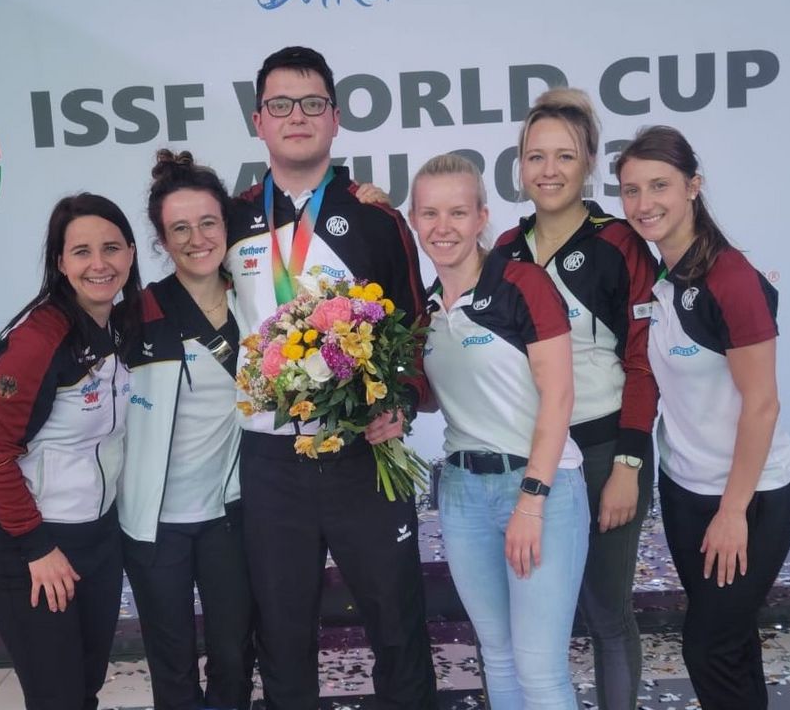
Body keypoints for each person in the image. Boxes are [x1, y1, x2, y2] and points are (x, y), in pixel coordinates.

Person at [224, 46, 438, 709]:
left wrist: (400, 402)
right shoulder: (228, 221)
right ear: (258, 120)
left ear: (336, 118)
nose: (297, 116)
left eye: (312, 103)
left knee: (398, 626)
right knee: (283, 637)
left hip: (362, 453)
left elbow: (415, 324)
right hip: (268, 463)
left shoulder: (375, 216)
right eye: (280, 105)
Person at [615, 126, 790, 710]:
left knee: (709, 646)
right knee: (732, 638)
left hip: (750, 496)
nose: (644, 204)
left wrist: (732, 510)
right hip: (685, 488)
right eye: (631, 190)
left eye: (660, 185)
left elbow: (763, 403)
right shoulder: (659, 274)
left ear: (694, 186)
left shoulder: (731, 278)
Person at [493, 88, 658, 709]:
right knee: (535, 623)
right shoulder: (505, 248)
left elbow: (644, 364)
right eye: (536, 157)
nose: (549, 170)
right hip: (532, 458)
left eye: (564, 156)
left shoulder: (619, 243)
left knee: (605, 611)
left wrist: (628, 465)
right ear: (520, 165)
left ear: (589, 160)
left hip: (603, 449)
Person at [412, 153, 588, 710]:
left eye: (458, 212)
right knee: (498, 657)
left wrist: (531, 501)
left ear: (482, 215)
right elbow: (440, 396)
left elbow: (559, 396)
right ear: (413, 221)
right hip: (462, 493)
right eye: (430, 214)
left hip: (540, 489)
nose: (444, 228)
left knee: (538, 670)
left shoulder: (521, 284)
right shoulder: (429, 310)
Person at [0, 192, 142, 710]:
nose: (99, 264)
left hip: (98, 537)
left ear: (131, 254)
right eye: (82, 252)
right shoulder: (39, 340)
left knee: (82, 689)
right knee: (58, 699)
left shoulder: (125, 323)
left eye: (111, 248)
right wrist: (36, 547)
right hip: (34, 546)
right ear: (60, 262)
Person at [118, 149, 254, 710]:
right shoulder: (137, 313)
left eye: (207, 223)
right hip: (154, 524)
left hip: (230, 514)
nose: (196, 238)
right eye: (179, 228)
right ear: (160, 240)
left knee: (234, 656)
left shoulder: (260, 300)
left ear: (226, 225)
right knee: (171, 666)